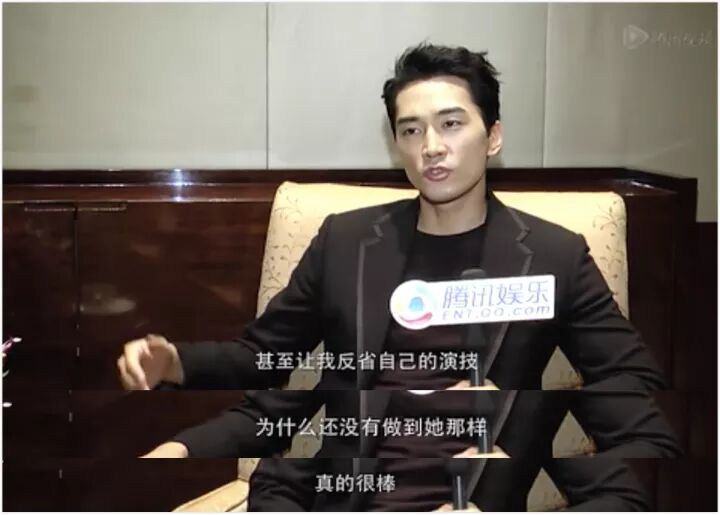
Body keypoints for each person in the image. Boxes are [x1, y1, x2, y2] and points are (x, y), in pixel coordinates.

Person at [117, 43, 680, 510]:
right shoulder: (345, 242)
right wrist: (176, 365)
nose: (430, 147)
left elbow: (637, 404)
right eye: (410, 131)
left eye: (451, 124)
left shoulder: (554, 257)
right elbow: (265, 356)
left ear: (493, 136)